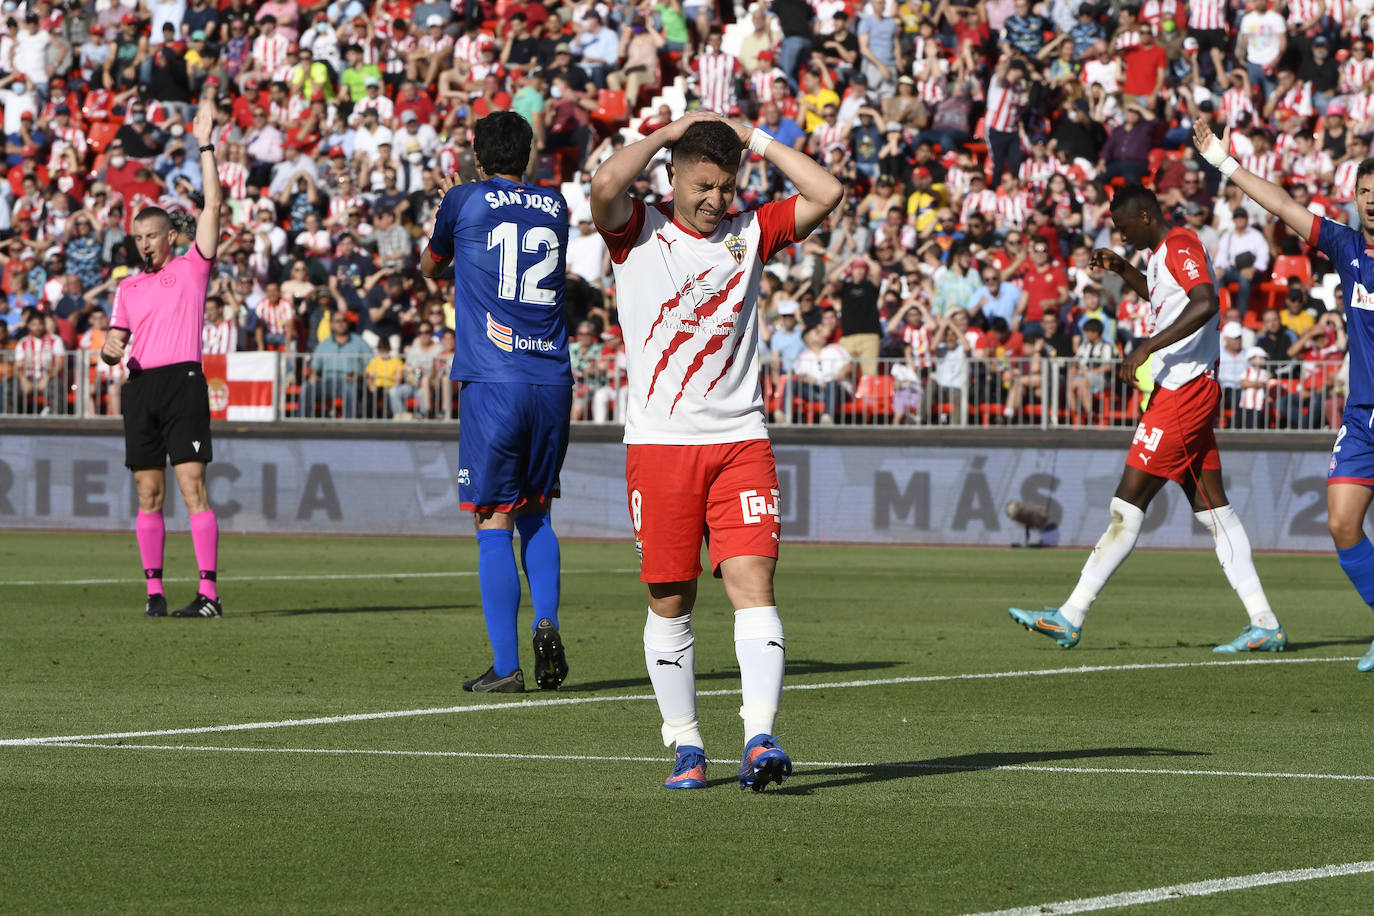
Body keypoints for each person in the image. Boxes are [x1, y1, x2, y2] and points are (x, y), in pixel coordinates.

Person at [590, 111, 842, 790]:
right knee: (670, 599)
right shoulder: (636, 231)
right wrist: (670, 131)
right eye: (702, 186)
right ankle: (686, 744)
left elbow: (827, 192)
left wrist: (753, 137)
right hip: (661, 447)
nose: (715, 201)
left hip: (740, 443)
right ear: (673, 177)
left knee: (753, 585)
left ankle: (760, 737)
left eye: (725, 188)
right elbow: (607, 178)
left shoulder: (750, 232)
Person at [1009, 182, 1285, 653]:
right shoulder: (1158, 256)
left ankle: (1070, 615)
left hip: (1182, 395)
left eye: (1120, 229)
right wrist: (1122, 269)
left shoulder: (1181, 244)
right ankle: (1264, 623)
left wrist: (1146, 346)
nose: (1118, 237)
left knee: (1127, 504)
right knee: (1215, 511)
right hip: (1182, 391)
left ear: (1143, 217)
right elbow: (1166, 299)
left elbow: (1204, 301)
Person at [1195, 117, 1374, 668]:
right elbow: (1283, 207)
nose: (1373, 202)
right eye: (1366, 193)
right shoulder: (1346, 247)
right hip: (1364, 416)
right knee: (1343, 524)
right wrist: (1226, 164)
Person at [419, 111, 572, 694]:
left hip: (493, 380)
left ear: (477, 159)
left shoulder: (462, 200)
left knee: (492, 519)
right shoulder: (556, 206)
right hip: (552, 379)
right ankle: (546, 620)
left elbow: (431, 266)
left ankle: (507, 667)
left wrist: (449, 211)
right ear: (530, 157)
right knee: (537, 512)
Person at [100, 92, 224, 619]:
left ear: (171, 236)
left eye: (152, 235)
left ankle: (209, 594)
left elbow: (213, 205)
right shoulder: (127, 288)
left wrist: (205, 144)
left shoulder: (194, 266)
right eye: (138, 237)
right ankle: (153, 592)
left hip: (183, 382)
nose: (144, 243)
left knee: (191, 485)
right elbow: (115, 344)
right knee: (148, 493)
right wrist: (108, 350)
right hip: (141, 386)